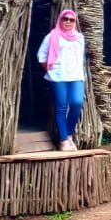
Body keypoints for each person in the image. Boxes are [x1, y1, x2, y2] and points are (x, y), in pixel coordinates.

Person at [38, 9, 87, 151]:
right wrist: (51, 70)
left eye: (71, 20)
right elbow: (41, 56)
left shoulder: (79, 38)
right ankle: (64, 140)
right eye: (65, 19)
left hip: (76, 76)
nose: (68, 22)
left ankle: (69, 134)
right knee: (61, 107)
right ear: (60, 20)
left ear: (75, 22)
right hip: (58, 77)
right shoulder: (52, 36)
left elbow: (80, 58)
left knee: (77, 103)